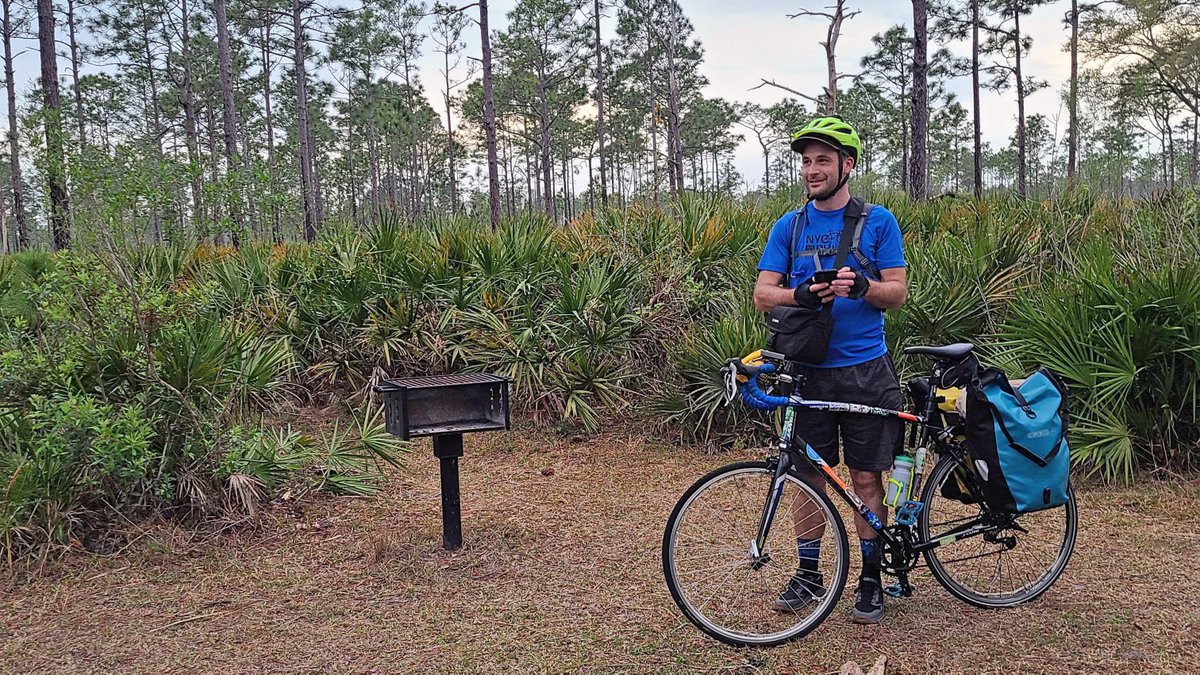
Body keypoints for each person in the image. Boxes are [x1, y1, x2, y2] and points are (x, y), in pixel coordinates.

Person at [752, 116, 908, 624]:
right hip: (807, 372)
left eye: (822, 160)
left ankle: (870, 578)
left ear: (848, 165)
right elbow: (762, 295)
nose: (811, 170)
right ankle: (809, 574)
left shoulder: (878, 221)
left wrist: (863, 287)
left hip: (866, 370)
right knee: (806, 478)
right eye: (806, 160)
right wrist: (798, 293)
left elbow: (897, 292)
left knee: (866, 479)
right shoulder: (789, 226)